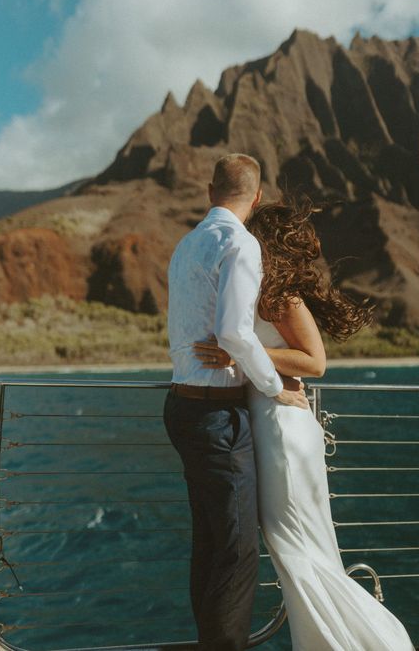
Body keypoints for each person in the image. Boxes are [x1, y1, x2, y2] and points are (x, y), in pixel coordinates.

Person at [194, 199, 416, 651]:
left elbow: (315, 362)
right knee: (294, 548)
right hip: (268, 421)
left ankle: (371, 642)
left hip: (284, 427)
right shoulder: (249, 289)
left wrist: (246, 351)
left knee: (299, 547)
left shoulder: (282, 297)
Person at [164, 155, 309, 651]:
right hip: (217, 416)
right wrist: (275, 387)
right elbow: (233, 333)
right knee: (237, 551)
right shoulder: (239, 244)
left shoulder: (186, 245)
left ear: (209, 191)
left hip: (182, 408)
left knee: (210, 544)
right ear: (258, 196)